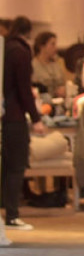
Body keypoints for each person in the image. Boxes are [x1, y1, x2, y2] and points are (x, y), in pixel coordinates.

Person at [2, 16, 48, 230]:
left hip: (4, 114)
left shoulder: (5, 49)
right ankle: (12, 215)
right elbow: (23, 89)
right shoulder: (20, 52)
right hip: (14, 116)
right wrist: (36, 118)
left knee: (6, 167)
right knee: (16, 166)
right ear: (28, 32)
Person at [31, 31, 67, 98]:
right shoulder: (32, 65)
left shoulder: (57, 65)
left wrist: (64, 90)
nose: (55, 48)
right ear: (42, 47)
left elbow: (63, 83)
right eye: (52, 44)